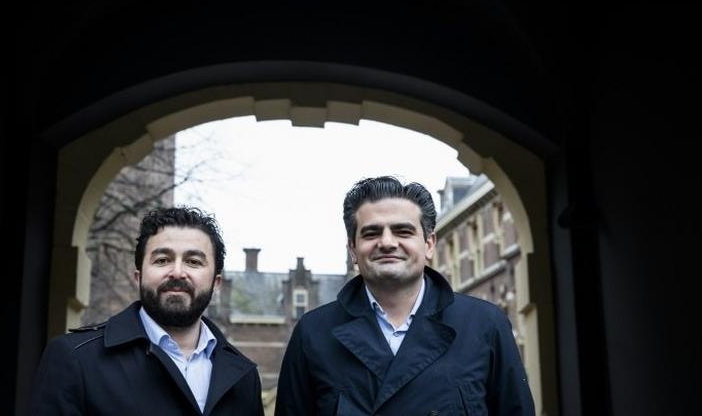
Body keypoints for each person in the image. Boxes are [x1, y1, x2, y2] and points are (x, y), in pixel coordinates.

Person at [275, 176, 534, 415]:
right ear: (353, 249)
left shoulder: (485, 325)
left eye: (403, 231)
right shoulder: (312, 333)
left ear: (429, 244)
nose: (387, 242)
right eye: (371, 232)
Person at [31, 207, 263, 415]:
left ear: (217, 283)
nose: (177, 272)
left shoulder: (244, 377)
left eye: (193, 261)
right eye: (162, 260)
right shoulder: (75, 358)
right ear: (138, 276)